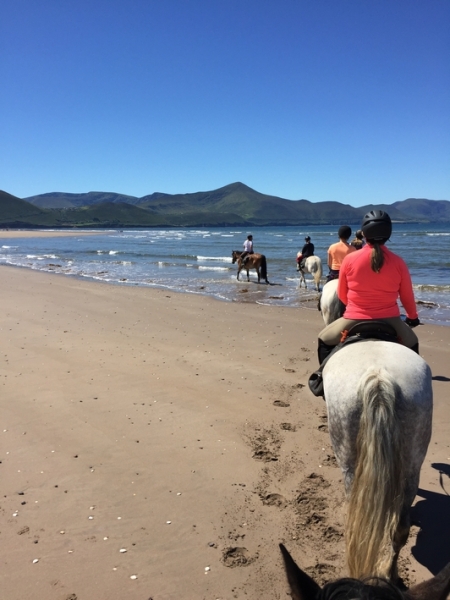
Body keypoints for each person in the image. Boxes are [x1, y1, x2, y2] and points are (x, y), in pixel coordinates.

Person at [316, 210, 420, 365]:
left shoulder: (350, 260)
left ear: (364, 233)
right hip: (391, 320)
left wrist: (356, 307)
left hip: (354, 318)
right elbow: (406, 296)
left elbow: (342, 295)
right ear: (388, 234)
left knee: (323, 339)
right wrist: (412, 316)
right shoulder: (399, 262)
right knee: (413, 343)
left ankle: (321, 379)